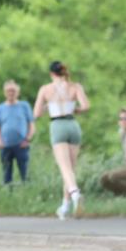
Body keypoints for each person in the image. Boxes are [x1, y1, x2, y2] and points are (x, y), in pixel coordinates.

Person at [34, 61, 90, 220]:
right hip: (73, 124)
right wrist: (75, 109)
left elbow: (36, 113)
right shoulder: (75, 86)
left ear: (51, 74)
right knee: (71, 168)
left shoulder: (46, 89)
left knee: (64, 167)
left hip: (57, 125)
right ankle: (65, 206)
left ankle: (75, 194)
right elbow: (85, 106)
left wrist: (47, 108)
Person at [0, 80, 35, 185]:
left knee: (25, 171)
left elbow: (31, 125)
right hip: (5, 145)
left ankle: (27, 190)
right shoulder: (0, 108)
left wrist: (28, 138)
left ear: (17, 92)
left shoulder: (24, 106)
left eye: (13, 90)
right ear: (5, 92)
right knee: (6, 172)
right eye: (8, 91)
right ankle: (8, 194)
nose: (11, 93)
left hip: (21, 144)